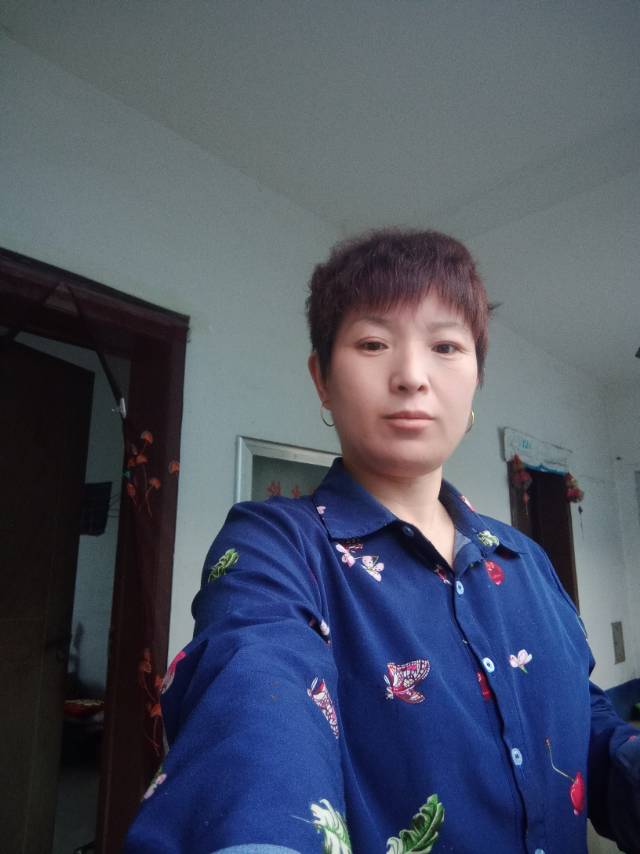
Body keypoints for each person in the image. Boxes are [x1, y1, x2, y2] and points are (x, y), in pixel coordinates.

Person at [124, 229, 640, 854]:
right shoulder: (278, 548)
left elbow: (582, 719)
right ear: (321, 378)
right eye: (373, 343)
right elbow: (255, 699)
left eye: (446, 346)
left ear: (476, 379)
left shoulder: (525, 559)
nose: (412, 376)